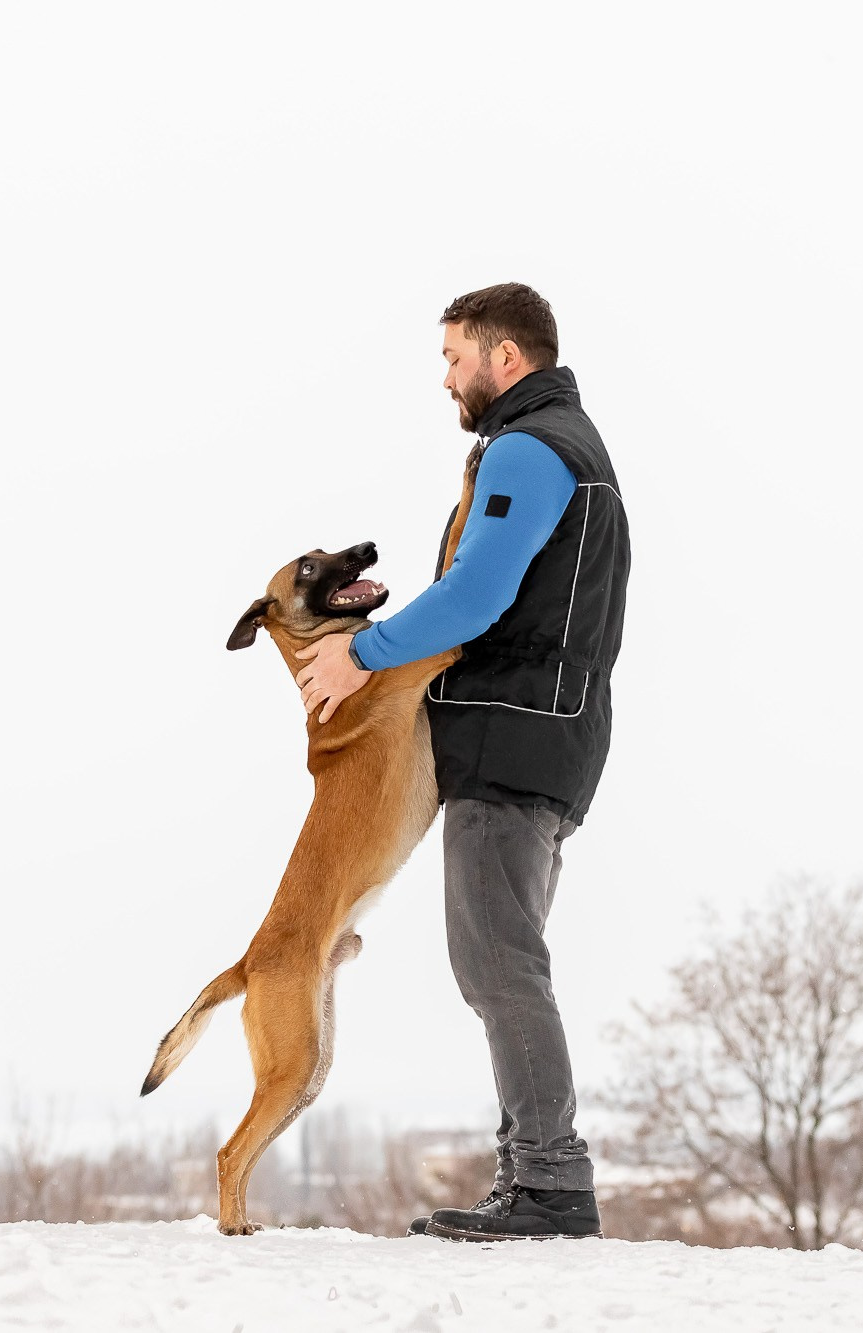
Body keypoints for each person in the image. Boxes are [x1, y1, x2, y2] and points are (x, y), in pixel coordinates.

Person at [293, 282, 630, 1241]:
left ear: (505, 357)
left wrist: (359, 653)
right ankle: (531, 1174)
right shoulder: (568, 445)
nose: (445, 378)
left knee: (497, 959)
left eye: (454, 358)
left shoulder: (532, 448)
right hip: (548, 731)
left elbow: (477, 593)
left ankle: (551, 1184)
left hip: (513, 733)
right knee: (501, 959)